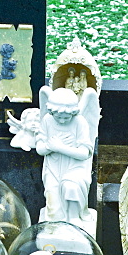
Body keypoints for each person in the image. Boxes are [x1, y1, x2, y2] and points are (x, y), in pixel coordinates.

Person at [35, 88, 94, 226]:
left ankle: (74, 220)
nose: (62, 121)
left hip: (75, 168)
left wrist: (60, 147)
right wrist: (51, 146)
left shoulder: (80, 122)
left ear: (73, 113)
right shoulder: (47, 120)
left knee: (71, 186)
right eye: (58, 117)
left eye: (66, 117)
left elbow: (84, 153)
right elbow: (40, 149)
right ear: (51, 112)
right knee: (54, 215)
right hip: (53, 169)